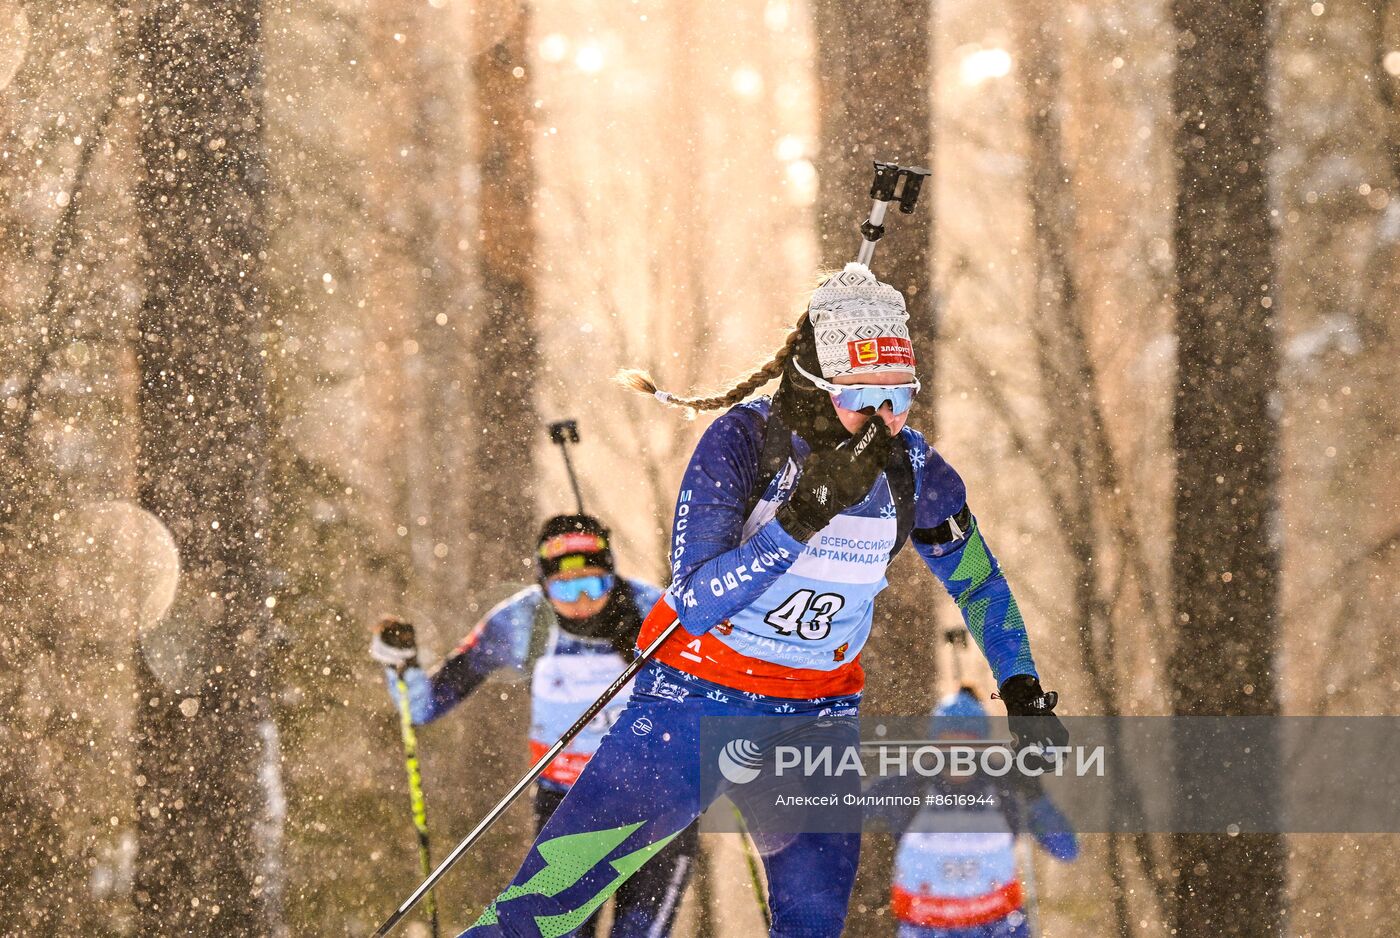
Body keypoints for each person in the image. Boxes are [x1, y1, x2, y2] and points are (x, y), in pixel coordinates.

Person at [461, 262, 1068, 937]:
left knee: (810, 925)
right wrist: (800, 518)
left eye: (902, 396)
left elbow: (977, 580)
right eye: (864, 399)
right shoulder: (745, 442)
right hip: (692, 703)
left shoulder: (912, 466)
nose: (886, 420)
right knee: (541, 910)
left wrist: (1022, 690)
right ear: (814, 385)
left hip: (813, 720)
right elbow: (694, 600)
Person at [371, 513, 697, 938]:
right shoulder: (521, 622)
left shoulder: (656, 611)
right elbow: (424, 706)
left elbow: (717, 693)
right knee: (558, 932)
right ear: (544, 586)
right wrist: (401, 665)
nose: (581, 600)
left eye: (594, 584)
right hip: (569, 807)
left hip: (657, 802)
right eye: (565, 587)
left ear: (612, 574)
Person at [885, 688, 1078, 938]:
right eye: (949, 741)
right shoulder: (908, 786)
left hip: (999, 927)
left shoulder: (1005, 783)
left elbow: (1065, 849)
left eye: (968, 741)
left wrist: (1036, 800)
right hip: (926, 929)